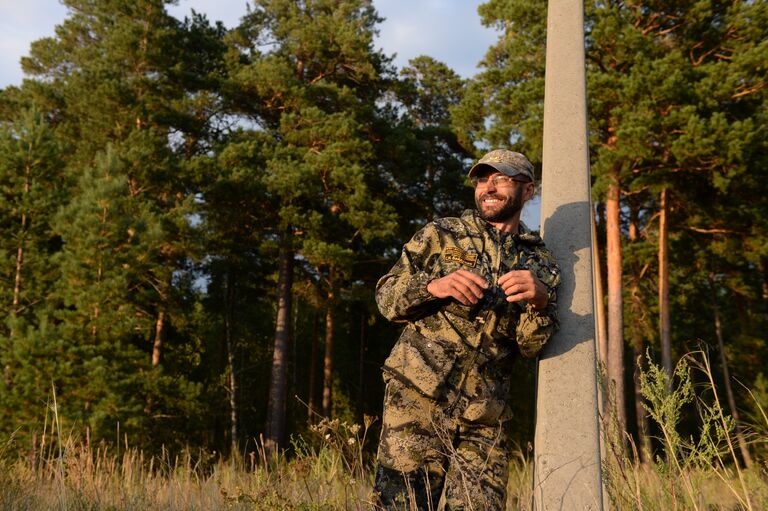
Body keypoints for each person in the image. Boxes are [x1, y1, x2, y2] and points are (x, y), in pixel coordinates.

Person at [372, 149, 561, 510]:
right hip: (416, 399)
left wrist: (539, 303)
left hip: (484, 419)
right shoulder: (442, 234)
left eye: (500, 178)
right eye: (481, 178)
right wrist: (433, 287)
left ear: (528, 191)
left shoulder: (541, 262)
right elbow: (386, 298)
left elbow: (531, 346)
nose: (487, 187)